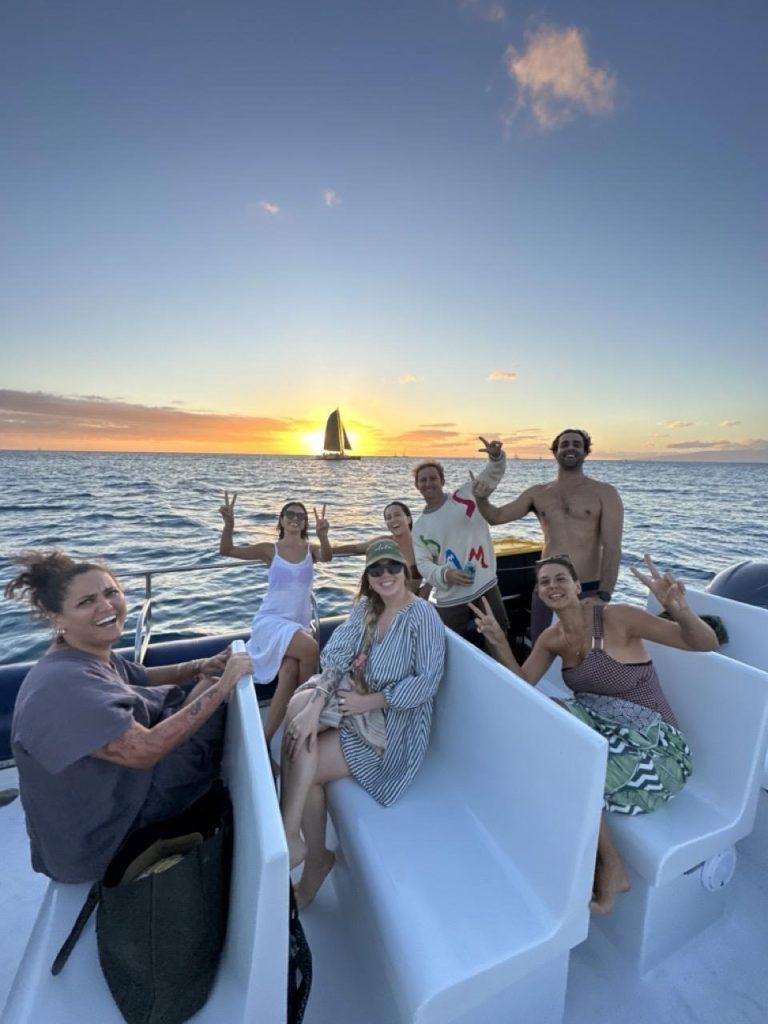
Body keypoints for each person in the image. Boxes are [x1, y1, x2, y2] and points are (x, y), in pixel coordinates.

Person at [469, 553, 718, 914]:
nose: (552, 586)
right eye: (544, 582)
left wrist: (679, 610)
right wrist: (499, 642)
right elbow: (523, 687)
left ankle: (610, 864)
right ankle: (558, 853)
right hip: (602, 735)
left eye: (560, 579)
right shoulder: (551, 638)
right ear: (538, 593)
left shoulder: (618, 618)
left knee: (563, 750)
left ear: (576, 586)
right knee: (547, 720)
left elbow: (703, 642)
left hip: (656, 748)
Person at [5, 550, 252, 884]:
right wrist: (221, 686)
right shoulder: (62, 686)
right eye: (86, 602)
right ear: (57, 619)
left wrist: (197, 667)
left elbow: (142, 677)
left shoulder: (88, 654)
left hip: (112, 800)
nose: (106, 607)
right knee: (216, 708)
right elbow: (143, 751)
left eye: (111, 593)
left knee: (205, 688)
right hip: (104, 840)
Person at [280, 538, 446, 909]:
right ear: (368, 577)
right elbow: (336, 658)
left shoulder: (423, 616)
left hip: (394, 727)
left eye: (392, 568)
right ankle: (302, 845)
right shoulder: (366, 610)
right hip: (353, 706)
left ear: (405, 571)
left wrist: (367, 701)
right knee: (299, 715)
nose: (385, 576)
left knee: (299, 754)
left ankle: (298, 844)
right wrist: (316, 707)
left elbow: (427, 681)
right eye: (376, 570)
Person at [472, 428, 624, 643]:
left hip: (587, 588)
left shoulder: (605, 493)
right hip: (546, 587)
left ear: (585, 452)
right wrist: (481, 499)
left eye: (576, 444)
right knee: (542, 645)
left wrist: (604, 594)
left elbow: (612, 547)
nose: (570, 448)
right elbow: (496, 517)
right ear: (555, 452)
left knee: (587, 652)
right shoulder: (539, 493)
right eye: (565, 444)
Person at [218, 493, 332, 757]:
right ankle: (307, 714)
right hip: (271, 622)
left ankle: (266, 743)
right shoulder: (270, 550)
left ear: (305, 523)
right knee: (311, 649)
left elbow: (327, 557)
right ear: (281, 520)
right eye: (289, 514)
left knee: (290, 672)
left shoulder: (310, 550)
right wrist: (229, 524)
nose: (295, 519)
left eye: (300, 516)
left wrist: (324, 535)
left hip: (296, 625)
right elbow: (227, 551)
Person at [412, 436, 508, 640]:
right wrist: (445, 575)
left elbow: (492, 475)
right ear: (417, 486)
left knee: (499, 639)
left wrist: (497, 457)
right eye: (423, 480)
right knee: (449, 647)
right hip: (450, 598)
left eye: (433, 478)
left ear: (442, 481)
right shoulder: (420, 526)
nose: (428, 483)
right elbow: (423, 564)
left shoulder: (465, 494)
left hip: (486, 586)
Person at [332, 500, 430, 597]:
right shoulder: (383, 543)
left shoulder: (421, 544)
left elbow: (438, 567)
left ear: (408, 519)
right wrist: (327, 550)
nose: (392, 520)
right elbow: (355, 548)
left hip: (412, 602)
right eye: (388, 518)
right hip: (384, 602)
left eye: (397, 515)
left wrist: (425, 591)